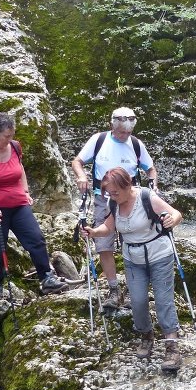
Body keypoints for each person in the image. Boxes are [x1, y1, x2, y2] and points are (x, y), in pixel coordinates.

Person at [83, 167, 183, 370]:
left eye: (115, 192)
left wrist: (172, 219)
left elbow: (175, 213)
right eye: (109, 193)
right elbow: (108, 227)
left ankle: (172, 347)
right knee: (137, 301)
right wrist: (93, 232)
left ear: (127, 185)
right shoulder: (114, 203)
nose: (112, 196)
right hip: (132, 259)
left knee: (164, 300)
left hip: (159, 256)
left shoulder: (146, 197)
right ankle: (147, 336)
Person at [0, 113, 69, 300]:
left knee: (36, 238)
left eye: (12, 135)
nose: (10, 139)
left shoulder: (14, 146)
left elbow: (19, 169)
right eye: (6, 136)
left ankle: (46, 277)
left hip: (18, 204)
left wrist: (26, 192)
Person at [71, 107, 158, 311]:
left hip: (131, 199)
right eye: (121, 132)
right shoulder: (99, 140)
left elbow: (150, 169)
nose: (124, 136)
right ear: (112, 126)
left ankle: (133, 288)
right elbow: (77, 161)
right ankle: (113, 289)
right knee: (103, 243)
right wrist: (82, 176)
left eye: (128, 133)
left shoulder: (136, 144)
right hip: (104, 198)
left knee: (134, 239)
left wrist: (154, 186)